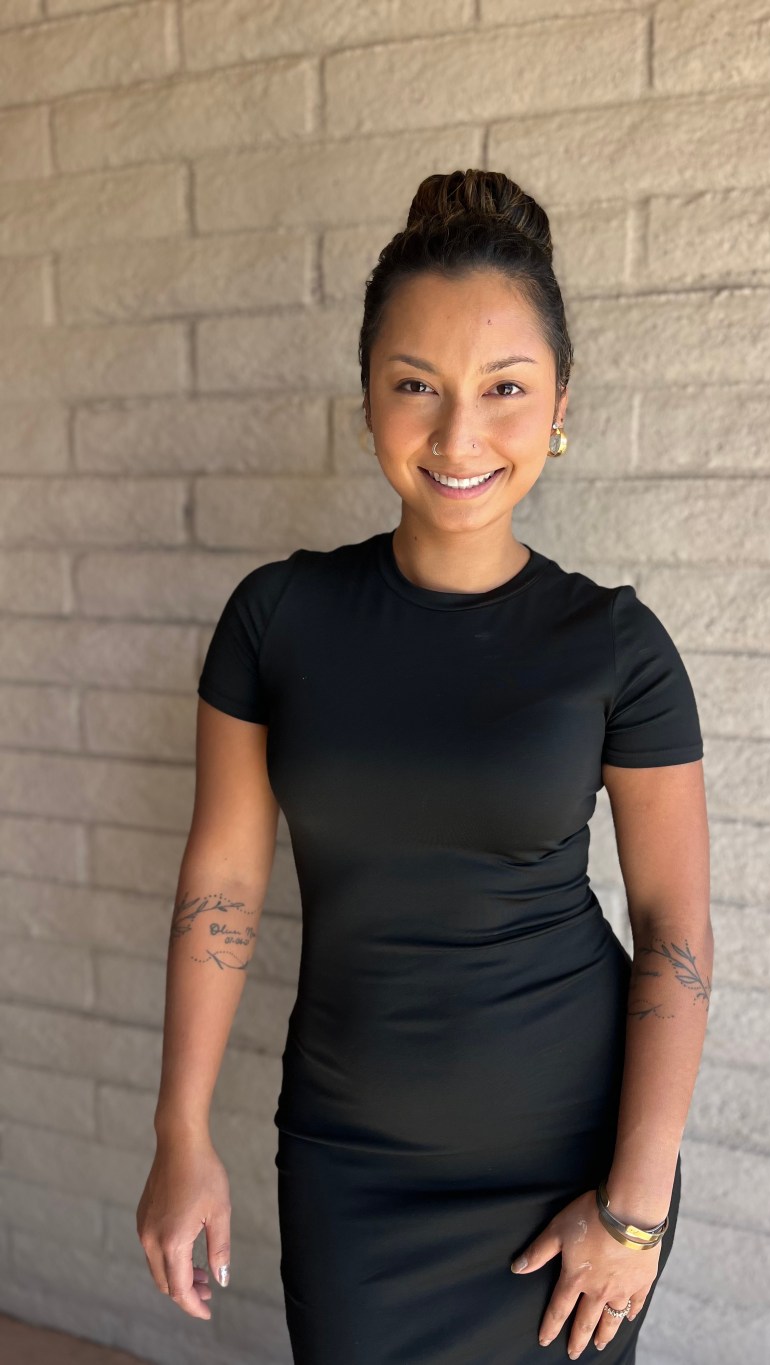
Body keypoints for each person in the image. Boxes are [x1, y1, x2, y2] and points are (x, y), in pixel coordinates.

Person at [136, 168, 712, 1364]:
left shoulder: (613, 647)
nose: (459, 437)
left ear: (559, 403)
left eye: (505, 390)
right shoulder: (275, 620)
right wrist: (180, 1133)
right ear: (366, 401)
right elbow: (223, 891)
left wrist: (635, 1210)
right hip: (355, 1166)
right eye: (416, 388)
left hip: (575, 1167)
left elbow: (673, 932)